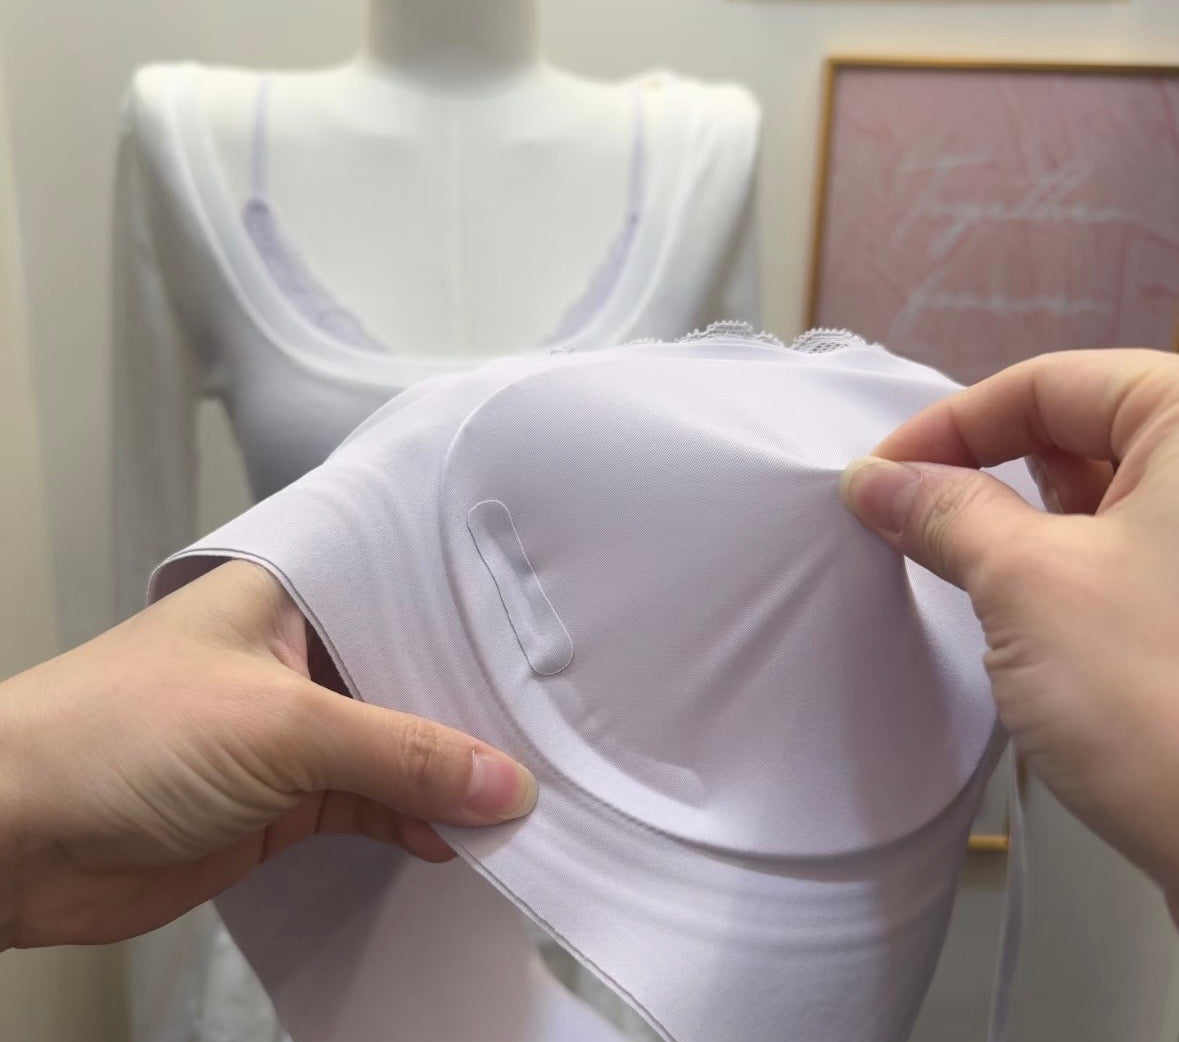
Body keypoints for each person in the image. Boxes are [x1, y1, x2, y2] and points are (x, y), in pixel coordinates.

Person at [0, 346, 1175, 954]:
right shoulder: (187, 132)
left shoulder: (702, 144)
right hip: (285, 843)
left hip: (633, 893)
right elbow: (145, 481)